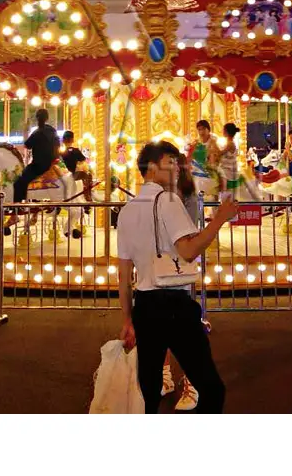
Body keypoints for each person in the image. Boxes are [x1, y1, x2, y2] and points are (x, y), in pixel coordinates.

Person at [118, 141, 237, 413]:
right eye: (169, 162)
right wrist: (219, 219)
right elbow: (188, 250)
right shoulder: (168, 200)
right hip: (174, 306)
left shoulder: (126, 211)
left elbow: (124, 274)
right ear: (150, 167)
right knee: (212, 388)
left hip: (144, 306)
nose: (176, 168)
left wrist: (127, 319)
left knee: (149, 390)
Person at [161, 153, 201, 411]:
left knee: (185, 329)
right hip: (157, 267)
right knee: (159, 326)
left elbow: (189, 232)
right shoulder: (157, 196)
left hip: (178, 265)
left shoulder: (186, 196)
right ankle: (164, 374)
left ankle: (192, 380)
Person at [7, 109, 59, 229]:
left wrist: (26, 132)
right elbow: (58, 146)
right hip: (52, 164)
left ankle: (15, 212)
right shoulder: (52, 130)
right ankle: (34, 210)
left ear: (37, 118)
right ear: (47, 118)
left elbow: (27, 145)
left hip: (39, 165)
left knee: (18, 182)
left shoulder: (37, 132)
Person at [61, 130, 93, 206]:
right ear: (72, 140)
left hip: (62, 174)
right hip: (72, 174)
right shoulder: (76, 151)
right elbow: (83, 161)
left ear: (63, 140)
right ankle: (87, 194)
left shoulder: (61, 151)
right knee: (88, 175)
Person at [218, 123, 240, 199]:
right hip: (227, 170)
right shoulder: (229, 143)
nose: (222, 131)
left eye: (223, 130)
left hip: (228, 172)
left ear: (226, 132)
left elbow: (220, 154)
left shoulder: (230, 144)